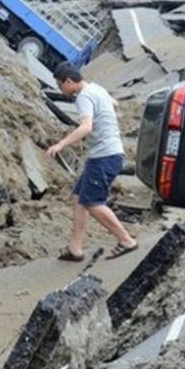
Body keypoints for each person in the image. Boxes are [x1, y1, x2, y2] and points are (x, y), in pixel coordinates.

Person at [47, 63, 138, 261]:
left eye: (60, 85)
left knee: (92, 203)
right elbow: (115, 103)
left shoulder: (84, 97)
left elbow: (86, 127)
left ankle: (126, 240)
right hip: (105, 155)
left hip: (105, 157)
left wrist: (61, 144)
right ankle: (75, 249)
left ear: (69, 81)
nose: (61, 91)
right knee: (79, 197)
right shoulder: (97, 89)